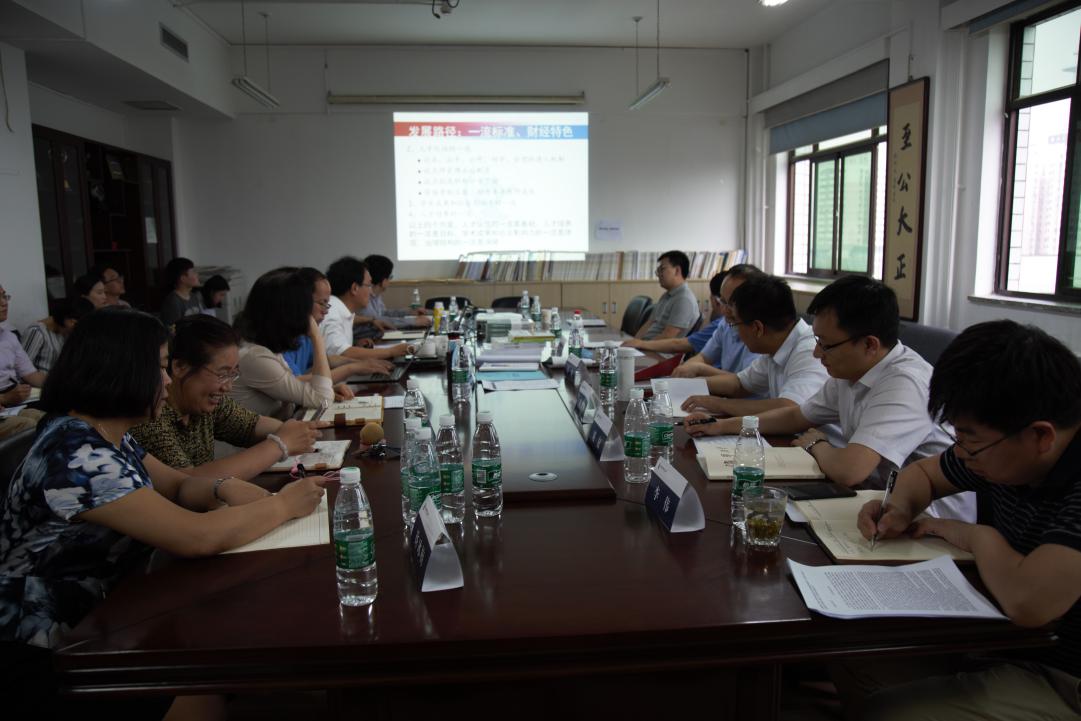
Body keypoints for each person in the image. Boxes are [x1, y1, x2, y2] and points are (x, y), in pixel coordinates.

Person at [0, 308, 326, 719]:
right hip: (50, 643)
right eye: (159, 367)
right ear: (122, 371)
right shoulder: (75, 455)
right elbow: (195, 536)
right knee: (207, 681)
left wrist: (225, 487)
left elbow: (178, 486)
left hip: (113, 611)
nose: (168, 380)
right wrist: (281, 505)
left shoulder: (105, 434)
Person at [844, 320, 1081, 721]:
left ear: (1041, 436)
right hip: (1002, 638)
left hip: (1063, 675)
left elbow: (1030, 603)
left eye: (971, 443)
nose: (963, 455)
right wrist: (899, 507)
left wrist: (975, 536)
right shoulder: (1004, 447)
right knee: (854, 655)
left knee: (889, 710)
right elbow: (923, 475)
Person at [686, 275, 973, 521]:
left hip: (930, 519)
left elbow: (850, 470)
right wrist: (721, 426)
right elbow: (796, 416)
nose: (816, 353)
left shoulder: (904, 382)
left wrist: (816, 443)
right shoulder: (850, 371)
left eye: (825, 345)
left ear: (869, 345)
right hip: (874, 501)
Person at [131, 314, 322, 480]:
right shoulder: (151, 417)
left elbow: (250, 426)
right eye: (222, 374)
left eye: (233, 375)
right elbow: (187, 483)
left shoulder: (204, 403)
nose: (228, 387)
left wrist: (296, 432)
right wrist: (280, 444)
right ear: (180, 367)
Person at [681, 275, 827, 417]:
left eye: (735, 324)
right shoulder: (775, 347)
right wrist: (685, 384)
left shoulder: (810, 350)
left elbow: (790, 408)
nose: (735, 330)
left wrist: (719, 404)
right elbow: (739, 384)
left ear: (757, 328)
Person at [229, 269, 334, 418]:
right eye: (304, 308)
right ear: (287, 311)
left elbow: (290, 389)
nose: (307, 315)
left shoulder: (268, 346)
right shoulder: (254, 356)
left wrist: (321, 388)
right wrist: (317, 337)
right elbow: (322, 400)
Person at [284, 267, 392, 391]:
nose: (326, 311)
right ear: (300, 302)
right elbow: (294, 385)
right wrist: (353, 368)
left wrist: (358, 363)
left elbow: (324, 362)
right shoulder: (281, 340)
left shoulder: (304, 335)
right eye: (322, 303)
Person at [671, 264, 763, 378]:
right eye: (723, 302)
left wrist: (699, 369)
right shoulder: (725, 324)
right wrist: (685, 369)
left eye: (732, 304)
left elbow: (745, 383)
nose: (724, 310)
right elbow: (704, 357)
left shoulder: (760, 333)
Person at [321, 257, 410, 361]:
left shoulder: (340, 309)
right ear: (354, 288)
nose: (371, 292)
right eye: (369, 285)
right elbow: (341, 354)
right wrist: (391, 351)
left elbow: (334, 348)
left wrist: (355, 344)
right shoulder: (331, 312)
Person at [634, 250, 700, 341]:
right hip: (646, 345)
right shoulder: (666, 295)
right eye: (658, 270)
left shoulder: (684, 299)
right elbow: (649, 323)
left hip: (658, 349)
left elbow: (667, 337)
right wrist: (633, 342)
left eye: (662, 269)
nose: (658, 274)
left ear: (677, 270)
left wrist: (640, 345)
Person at [21, 297, 94, 373]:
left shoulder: (64, 332)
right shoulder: (37, 332)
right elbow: (23, 367)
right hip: (42, 379)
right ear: (71, 322)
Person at [361, 254, 431, 329]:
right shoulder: (362, 297)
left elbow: (383, 313)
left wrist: (409, 312)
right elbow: (379, 320)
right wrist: (413, 321)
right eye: (390, 277)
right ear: (384, 281)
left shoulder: (376, 295)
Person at [160, 257, 203, 328]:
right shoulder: (173, 301)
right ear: (183, 278)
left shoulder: (193, 296)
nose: (197, 274)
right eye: (193, 272)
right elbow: (173, 330)